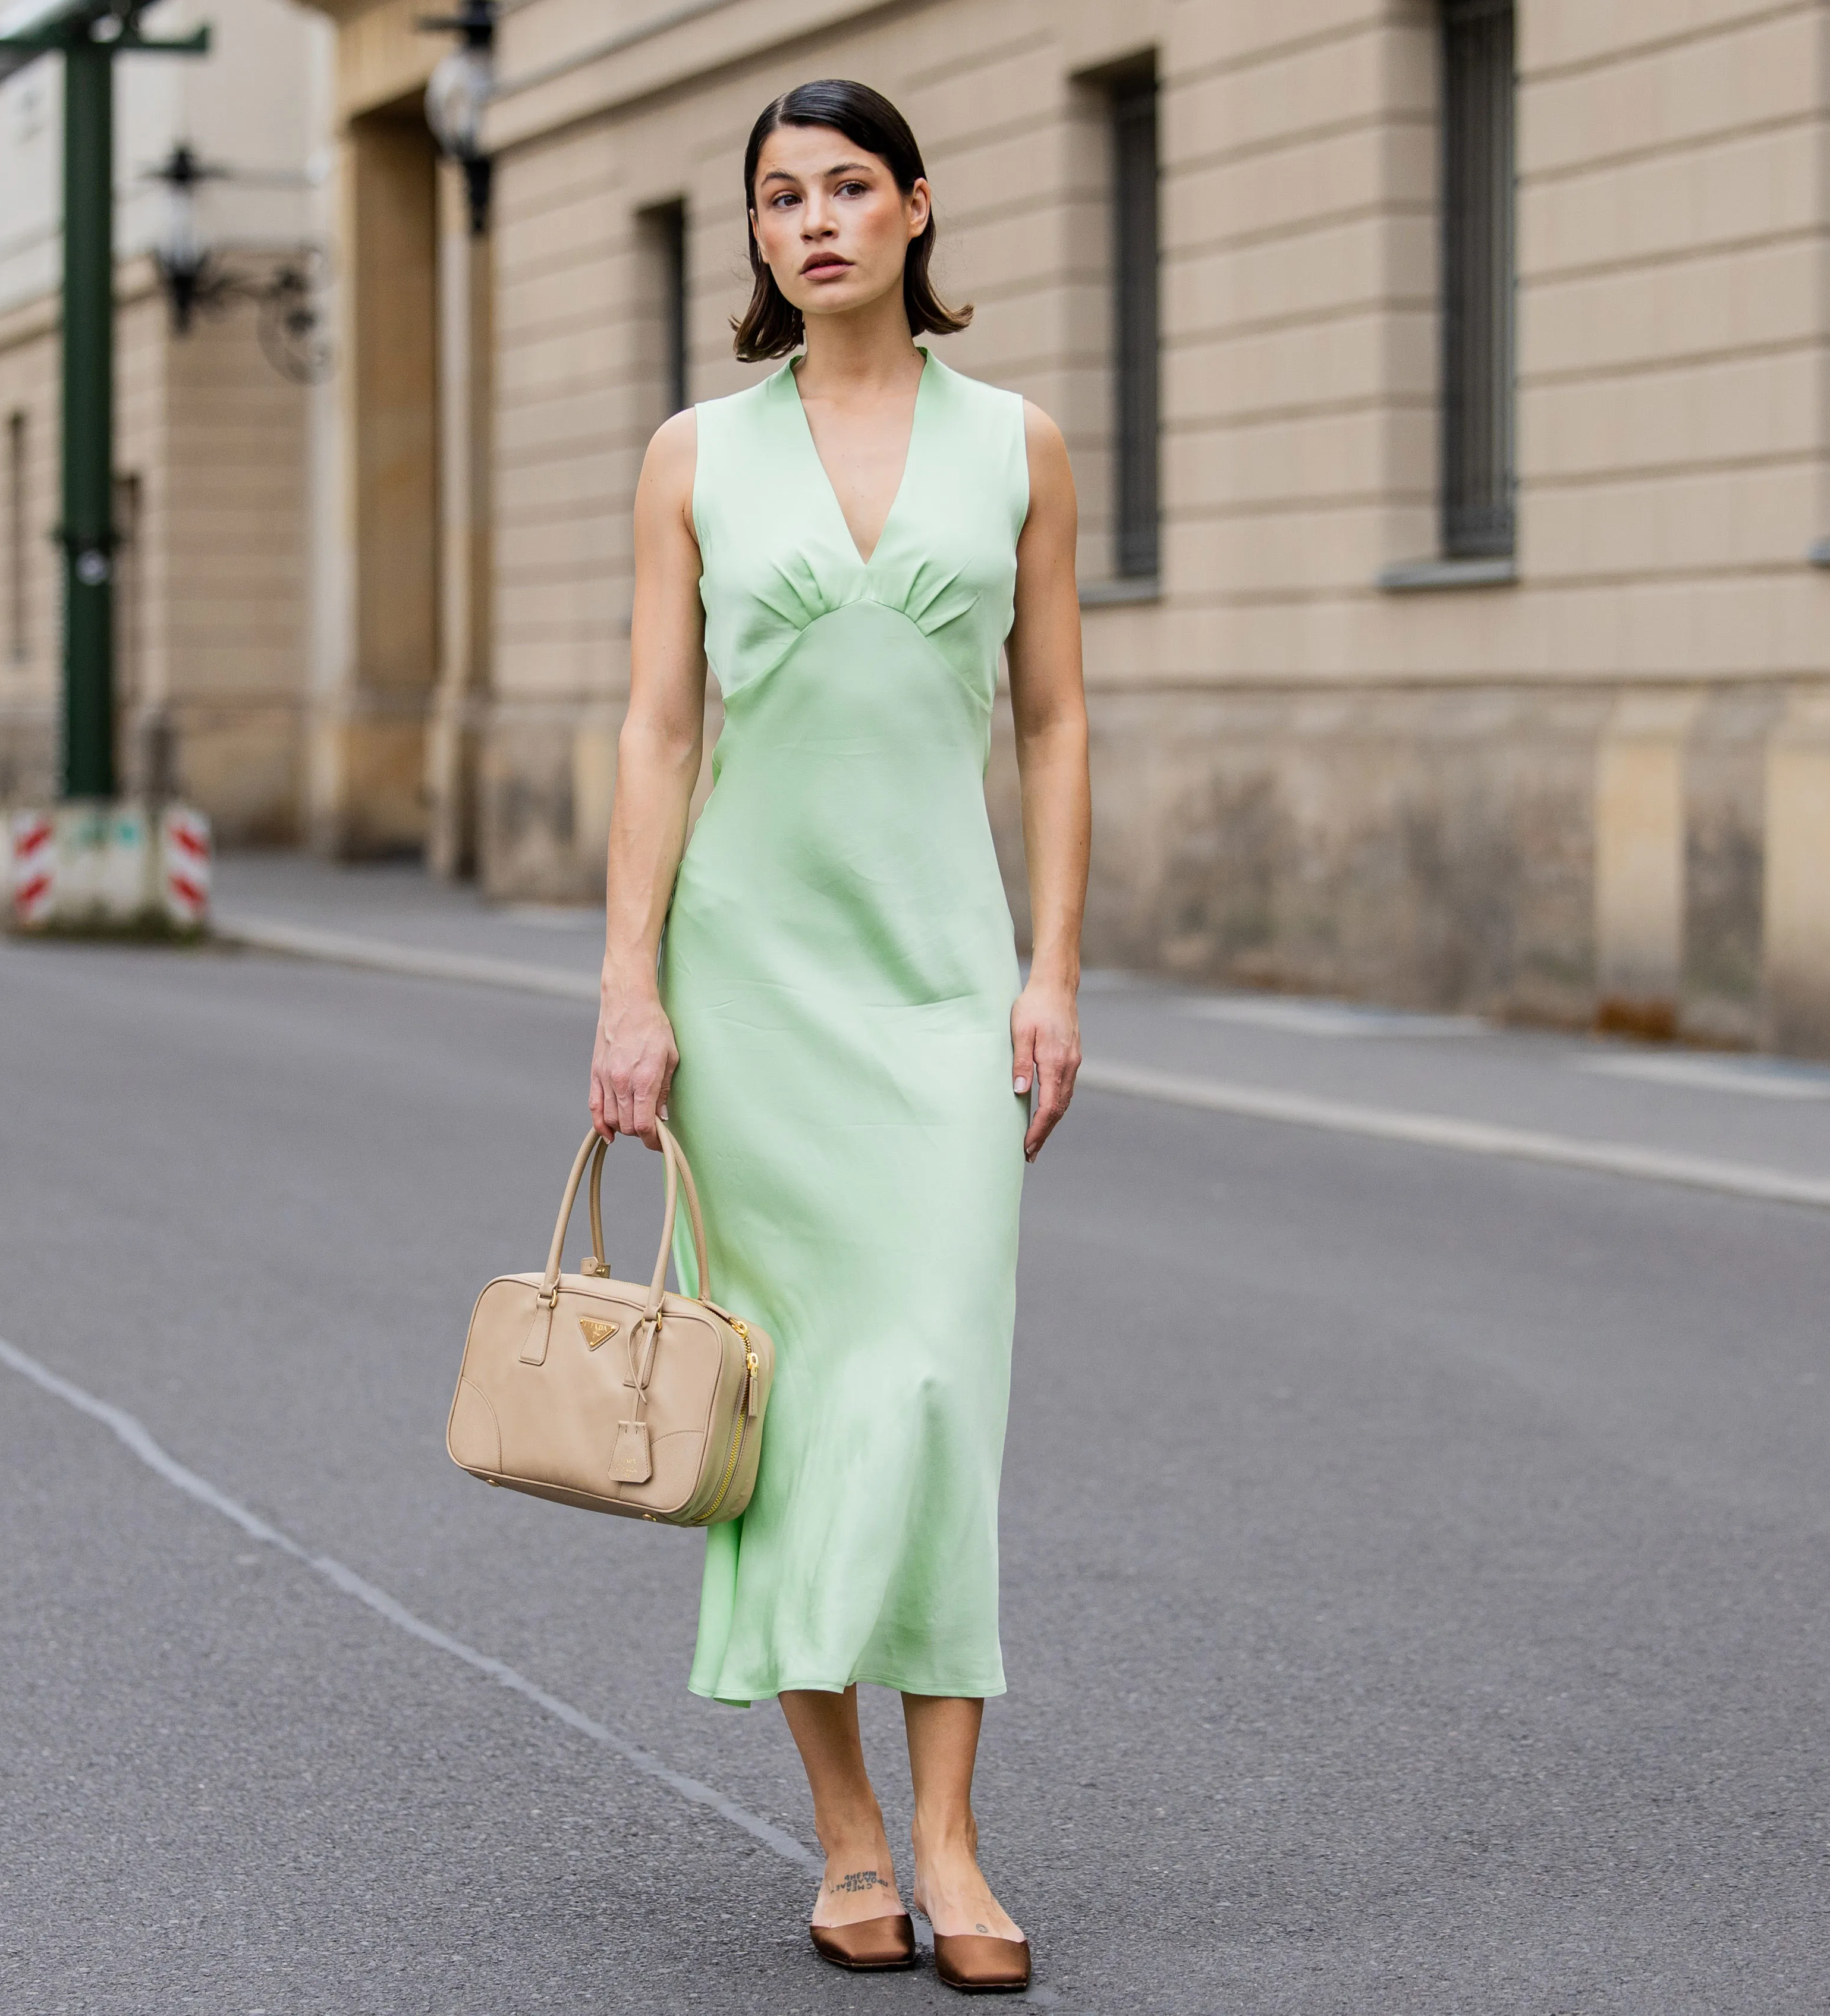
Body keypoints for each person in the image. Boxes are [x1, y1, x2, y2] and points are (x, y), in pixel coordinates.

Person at [586, 77, 1088, 1996]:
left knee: (939, 1400)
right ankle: (854, 1837)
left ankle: (954, 1836)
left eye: (847, 189)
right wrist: (629, 991)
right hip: (754, 992)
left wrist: (1054, 972)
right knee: (788, 1425)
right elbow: (655, 733)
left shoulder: (1018, 447)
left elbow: (1053, 723)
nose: (813, 223)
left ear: (918, 212)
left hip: (945, 988)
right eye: (780, 196)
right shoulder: (696, 456)